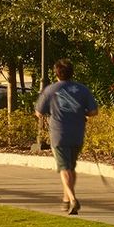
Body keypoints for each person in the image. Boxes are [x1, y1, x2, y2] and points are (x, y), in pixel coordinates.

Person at [35, 59, 98, 213]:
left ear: (56, 73)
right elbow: (93, 111)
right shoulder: (82, 89)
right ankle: (66, 199)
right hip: (77, 133)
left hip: (59, 133)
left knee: (64, 169)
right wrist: (82, 113)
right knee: (71, 167)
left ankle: (72, 198)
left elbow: (39, 112)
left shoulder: (50, 90)